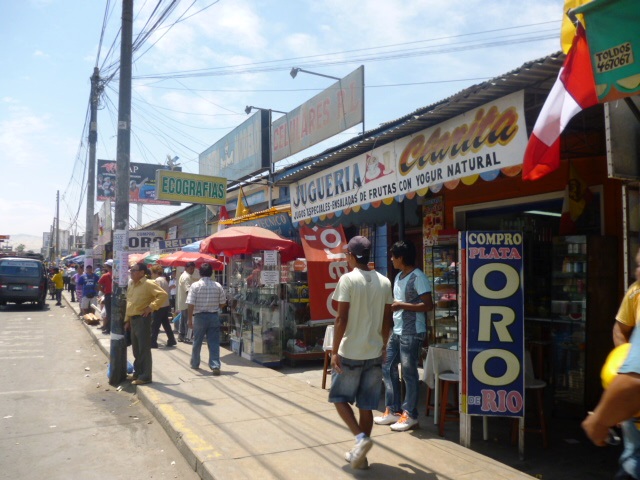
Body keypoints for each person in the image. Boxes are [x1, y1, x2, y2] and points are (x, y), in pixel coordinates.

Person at [329, 236, 393, 470]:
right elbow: (388, 321)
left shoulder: (347, 279)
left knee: (338, 398)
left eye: (347, 254)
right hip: (374, 351)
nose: (346, 258)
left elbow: (340, 318)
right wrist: (383, 345)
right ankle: (361, 457)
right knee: (366, 405)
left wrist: (334, 351)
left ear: (353, 256)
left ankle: (361, 439)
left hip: (350, 351)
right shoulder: (385, 282)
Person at [583, 247, 640, 478]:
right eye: (637, 265)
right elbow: (620, 330)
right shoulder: (635, 293)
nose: (638, 271)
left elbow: (634, 382)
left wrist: (600, 420)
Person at [375, 240, 434, 432]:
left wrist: (401, 306)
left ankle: (411, 415)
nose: (391, 259)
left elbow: (427, 305)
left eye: (393, 256)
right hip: (398, 330)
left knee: (409, 374)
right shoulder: (399, 276)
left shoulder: (419, 277)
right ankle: (393, 409)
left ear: (401, 257)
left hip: (413, 331)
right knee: (387, 366)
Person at [125, 263, 168, 385]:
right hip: (133, 319)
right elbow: (130, 302)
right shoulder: (132, 284)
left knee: (143, 348)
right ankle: (138, 373)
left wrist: (151, 307)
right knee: (136, 349)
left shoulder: (148, 283)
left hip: (143, 319)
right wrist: (127, 320)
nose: (132, 272)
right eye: (131, 270)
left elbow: (163, 295)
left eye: (134, 270)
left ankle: (145, 376)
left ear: (142, 272)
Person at [186, 262, 227, 375]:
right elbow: (223, 303)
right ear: (211, 273)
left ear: (200, 273)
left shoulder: (195, 286)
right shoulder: (217, 285)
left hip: (199, 316)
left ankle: (195, 363)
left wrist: (190, 319)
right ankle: (215, 365)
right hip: (213, 316)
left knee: (197, 341)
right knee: (214, 342)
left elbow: (190, 304)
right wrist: (216, 307)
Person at [149, 265, 177, 348]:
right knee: (166, 324)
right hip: (165, 304)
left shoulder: (157, 280)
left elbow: (156, 293)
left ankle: (152, 342)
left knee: (155, 325)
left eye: (152, 273)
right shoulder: (164, 279)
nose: (151, 275)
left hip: (159, 305)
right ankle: (171, 339)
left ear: (155, 273)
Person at [176, 262, 196, 343]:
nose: (192, 270)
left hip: (184, 302)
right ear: (186, 268)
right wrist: (192, 301)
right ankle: (187, 337)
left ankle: (182, 336)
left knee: (183, 319)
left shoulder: (185, 276)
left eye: (193, 268)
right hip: (187, 302)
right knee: (187, 320)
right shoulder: (186, 277)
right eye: (191, 268)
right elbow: (188, 291)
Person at [97, 259, 113, 334]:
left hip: (108, 295)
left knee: (109, 313)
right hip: (117, 296)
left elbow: (98, 285)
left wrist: (104, 291)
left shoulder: (105, 276)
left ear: (107, 267)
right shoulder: (118, 275)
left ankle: (108, 329)